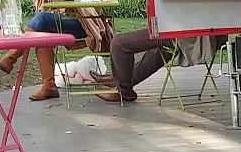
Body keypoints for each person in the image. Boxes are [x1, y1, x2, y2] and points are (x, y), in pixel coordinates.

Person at [88, 28, 221, 103]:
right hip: (189, 33)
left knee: (119, 44)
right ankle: (120, 80)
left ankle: (122, 89)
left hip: (182, 34)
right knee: (158, 51)